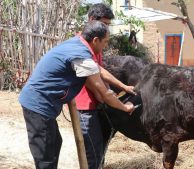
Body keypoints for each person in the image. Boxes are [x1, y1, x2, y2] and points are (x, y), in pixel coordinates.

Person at [19, 20, 135, 169]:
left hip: (42, 102)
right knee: (46, 154)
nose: (106, 46)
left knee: (55, 143)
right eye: (105, 42)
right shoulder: (81, 56)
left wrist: (122, 86)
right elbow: (104, 94)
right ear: (95, 40)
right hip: (38, 104)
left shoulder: (77, 43)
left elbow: (98, 70)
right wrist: (125, 108)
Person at [75, 3, 136, 169]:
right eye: (104, 24)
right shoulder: (81, 48)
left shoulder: (95, 44)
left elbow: (100, 69)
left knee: (99, 149)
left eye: (108, 25)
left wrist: (122, 86)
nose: (106, 29)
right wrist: (122, 106)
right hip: (84, 107)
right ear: (91, 20)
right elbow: (100, 89)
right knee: (93, 155)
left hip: (95, 104)